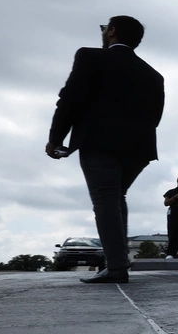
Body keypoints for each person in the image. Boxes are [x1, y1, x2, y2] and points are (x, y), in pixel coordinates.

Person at [46, 16, 165, 284]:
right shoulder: (153, 74)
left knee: (106, 200)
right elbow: (156, 115)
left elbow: (70, 99)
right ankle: (117, 262)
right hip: (139, 147)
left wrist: (55, 138)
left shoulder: (90, 57)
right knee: (116, 197)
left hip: (99, 140)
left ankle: (116, 266)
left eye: (104, 28)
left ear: (112, 31)